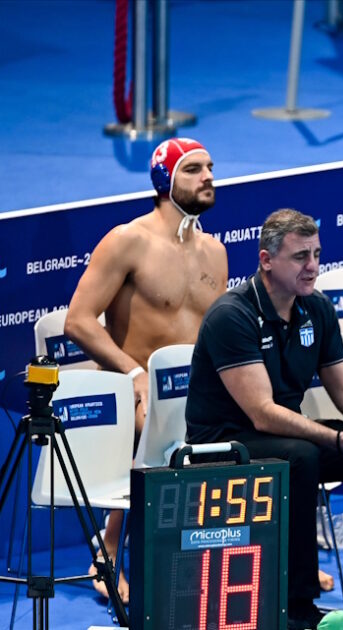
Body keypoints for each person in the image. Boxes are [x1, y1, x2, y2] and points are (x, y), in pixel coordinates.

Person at [185, 209, 343, 630]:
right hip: (224, 442)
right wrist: (336, 440)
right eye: (300, 256)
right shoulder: (231, 315)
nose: (312, 266)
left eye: (317, 255)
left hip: (285, 436)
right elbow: (262, 413)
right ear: (267, 260)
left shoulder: (316, 308)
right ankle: (297, 607)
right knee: (301, 456)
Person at [64, 137, 227, 603]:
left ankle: (258, 556)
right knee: (168, 432)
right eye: (193, 169)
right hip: (132, 391)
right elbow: (78, 321)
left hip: (193, 391)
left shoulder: (215, 251)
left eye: (210, 167)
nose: (208, 176)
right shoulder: (128, 241)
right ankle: (110, 549)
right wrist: (133, 372)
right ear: (164, 180)